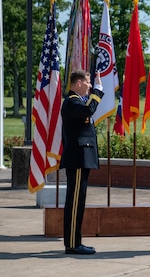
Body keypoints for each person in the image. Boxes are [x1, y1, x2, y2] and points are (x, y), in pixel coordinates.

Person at [60, 69, 104, 255]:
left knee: (78, 202)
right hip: (77, 159)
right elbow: (88, 110)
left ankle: (74, 241)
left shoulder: (77, 102)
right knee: (75, 202)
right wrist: (99, 90)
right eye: (88, 83)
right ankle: (72, 243)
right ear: (78, 83)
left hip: (81, 158)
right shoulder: (72, 102)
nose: (90, 86)